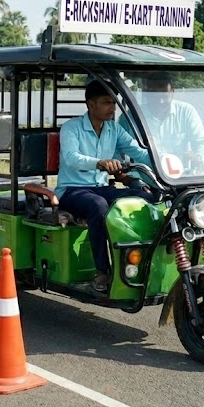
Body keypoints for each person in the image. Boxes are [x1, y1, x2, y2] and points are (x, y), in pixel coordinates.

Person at [55, 79, 155, 294]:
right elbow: (72, 158)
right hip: (72, 191)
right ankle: (102, 271)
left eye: (114, 103)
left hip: (101, 188)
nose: (112, 108)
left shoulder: (114, 129)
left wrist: (165, 160)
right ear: (91, 105)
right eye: (106, 102)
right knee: (98, 206)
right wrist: (99, 162)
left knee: (143, 197)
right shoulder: (71, 128)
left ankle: (141, 262)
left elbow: (138, 152)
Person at [127, 71, 204, 169]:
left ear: (172, 92)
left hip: (181, 176)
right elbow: (118, 146)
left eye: (164, 97)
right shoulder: (133, 115)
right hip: (144, 177)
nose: (160, 101)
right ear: (146, 94)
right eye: (155, 97)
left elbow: (202, 141)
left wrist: (198, 157)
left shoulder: (186, 111)